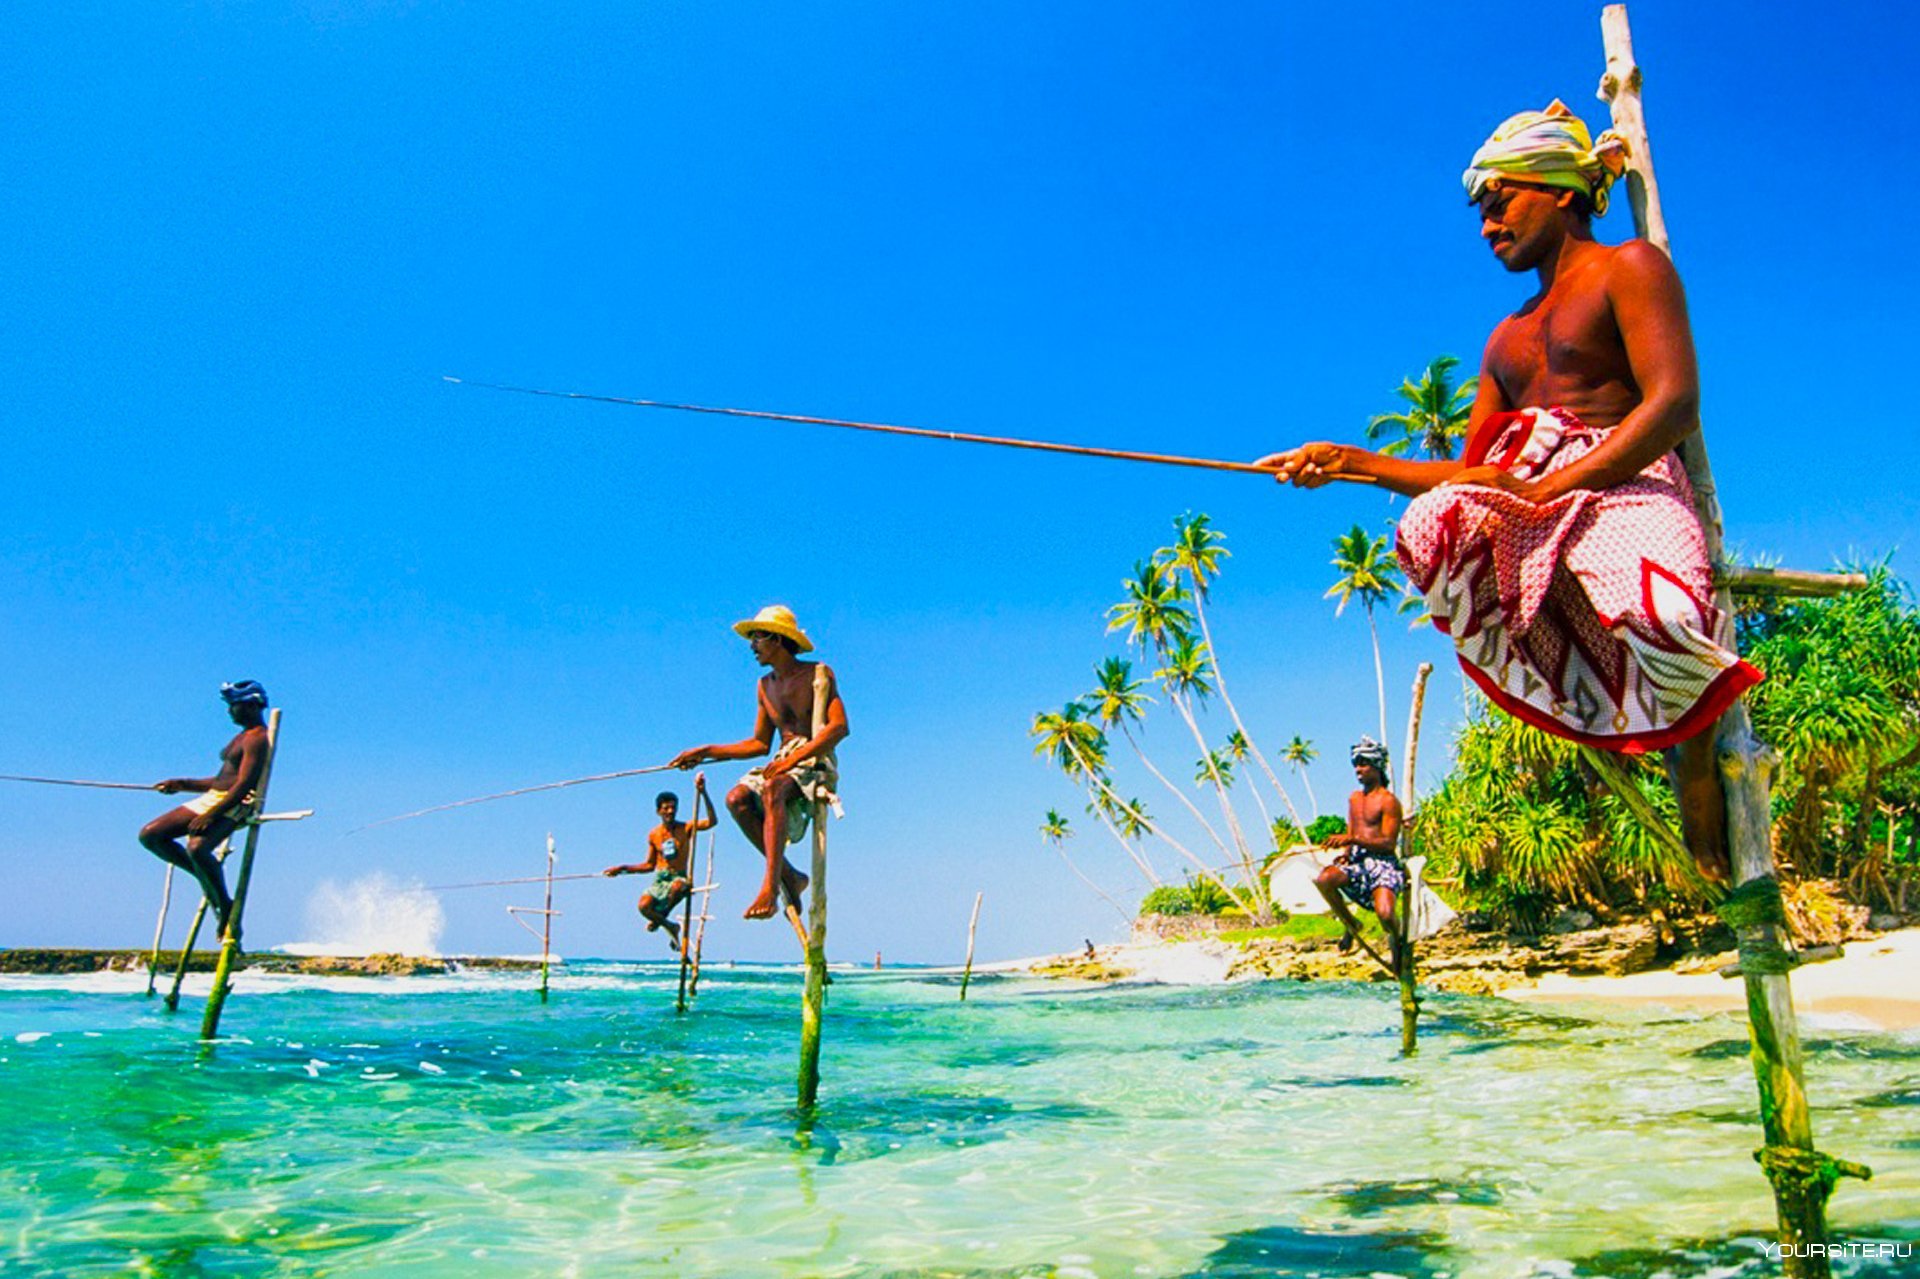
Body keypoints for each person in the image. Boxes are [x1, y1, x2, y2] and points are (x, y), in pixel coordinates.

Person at [1259, 101, 1760, 881]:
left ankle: (1698, 790)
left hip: (1626, 482)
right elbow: (1466, 471)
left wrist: (1555, 483)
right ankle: (1577, 671)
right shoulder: (1505, 338)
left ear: (1562, 189)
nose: (1488, 224)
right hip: (1533, 501)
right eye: (1481, 212)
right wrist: (1348, 461)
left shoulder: (1630, 268)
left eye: (1501, 201)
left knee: (1658, 614)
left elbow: (1674, 404)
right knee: (1433, 521)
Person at [671, 605, 849, 921]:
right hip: (781, 761)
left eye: (757, 638)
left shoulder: (818, 674)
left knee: (773, 787)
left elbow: (839, 727)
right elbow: (759, 744)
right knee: (735, 798)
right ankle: (790, 875)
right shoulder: (764, 685)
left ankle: (770, 885)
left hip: (812, 759)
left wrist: (795, 758)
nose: (752, 646)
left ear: (777, 639)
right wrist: (707, 750)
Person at [140, 681, 271, 939]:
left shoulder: (257, 738)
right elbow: (222, 780)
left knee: (197, 849)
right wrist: (182, 783)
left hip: (236, 802)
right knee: (150, 835)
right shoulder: (241, 736)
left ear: (252, 705)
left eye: (234, 706)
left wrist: (211, 814)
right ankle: (207, 879)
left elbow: (244, 784)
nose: (230, 711)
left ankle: (223, 902)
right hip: (216, 796)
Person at [1313, 738, 1407, 971]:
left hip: (1383, 863)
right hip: (1358, 861)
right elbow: (1352, 828)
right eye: (1356, 764)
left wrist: (1352, 840)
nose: (1358, 769)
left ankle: (1397, 939)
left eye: (1364, 764)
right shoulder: (1354, 798)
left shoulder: (1389, 802)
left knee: (1385, 914)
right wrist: (1346, 852)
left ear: (1376, 766)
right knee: (1325, 878)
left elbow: (1387, 843)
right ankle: (1352, 923)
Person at [602, 780, 716, 953]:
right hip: (660, 879)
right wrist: (622, 868)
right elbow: (649, 865)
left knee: (678, 887)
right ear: (658, 811)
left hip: (679, 877)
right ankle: (670, 925)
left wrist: (703, 793)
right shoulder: (654, 834)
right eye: (666, 808)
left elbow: (712, 821)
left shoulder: (685, 827)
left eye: (673, 807)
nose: (670, 811)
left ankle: (661, 917)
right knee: (643, 906)